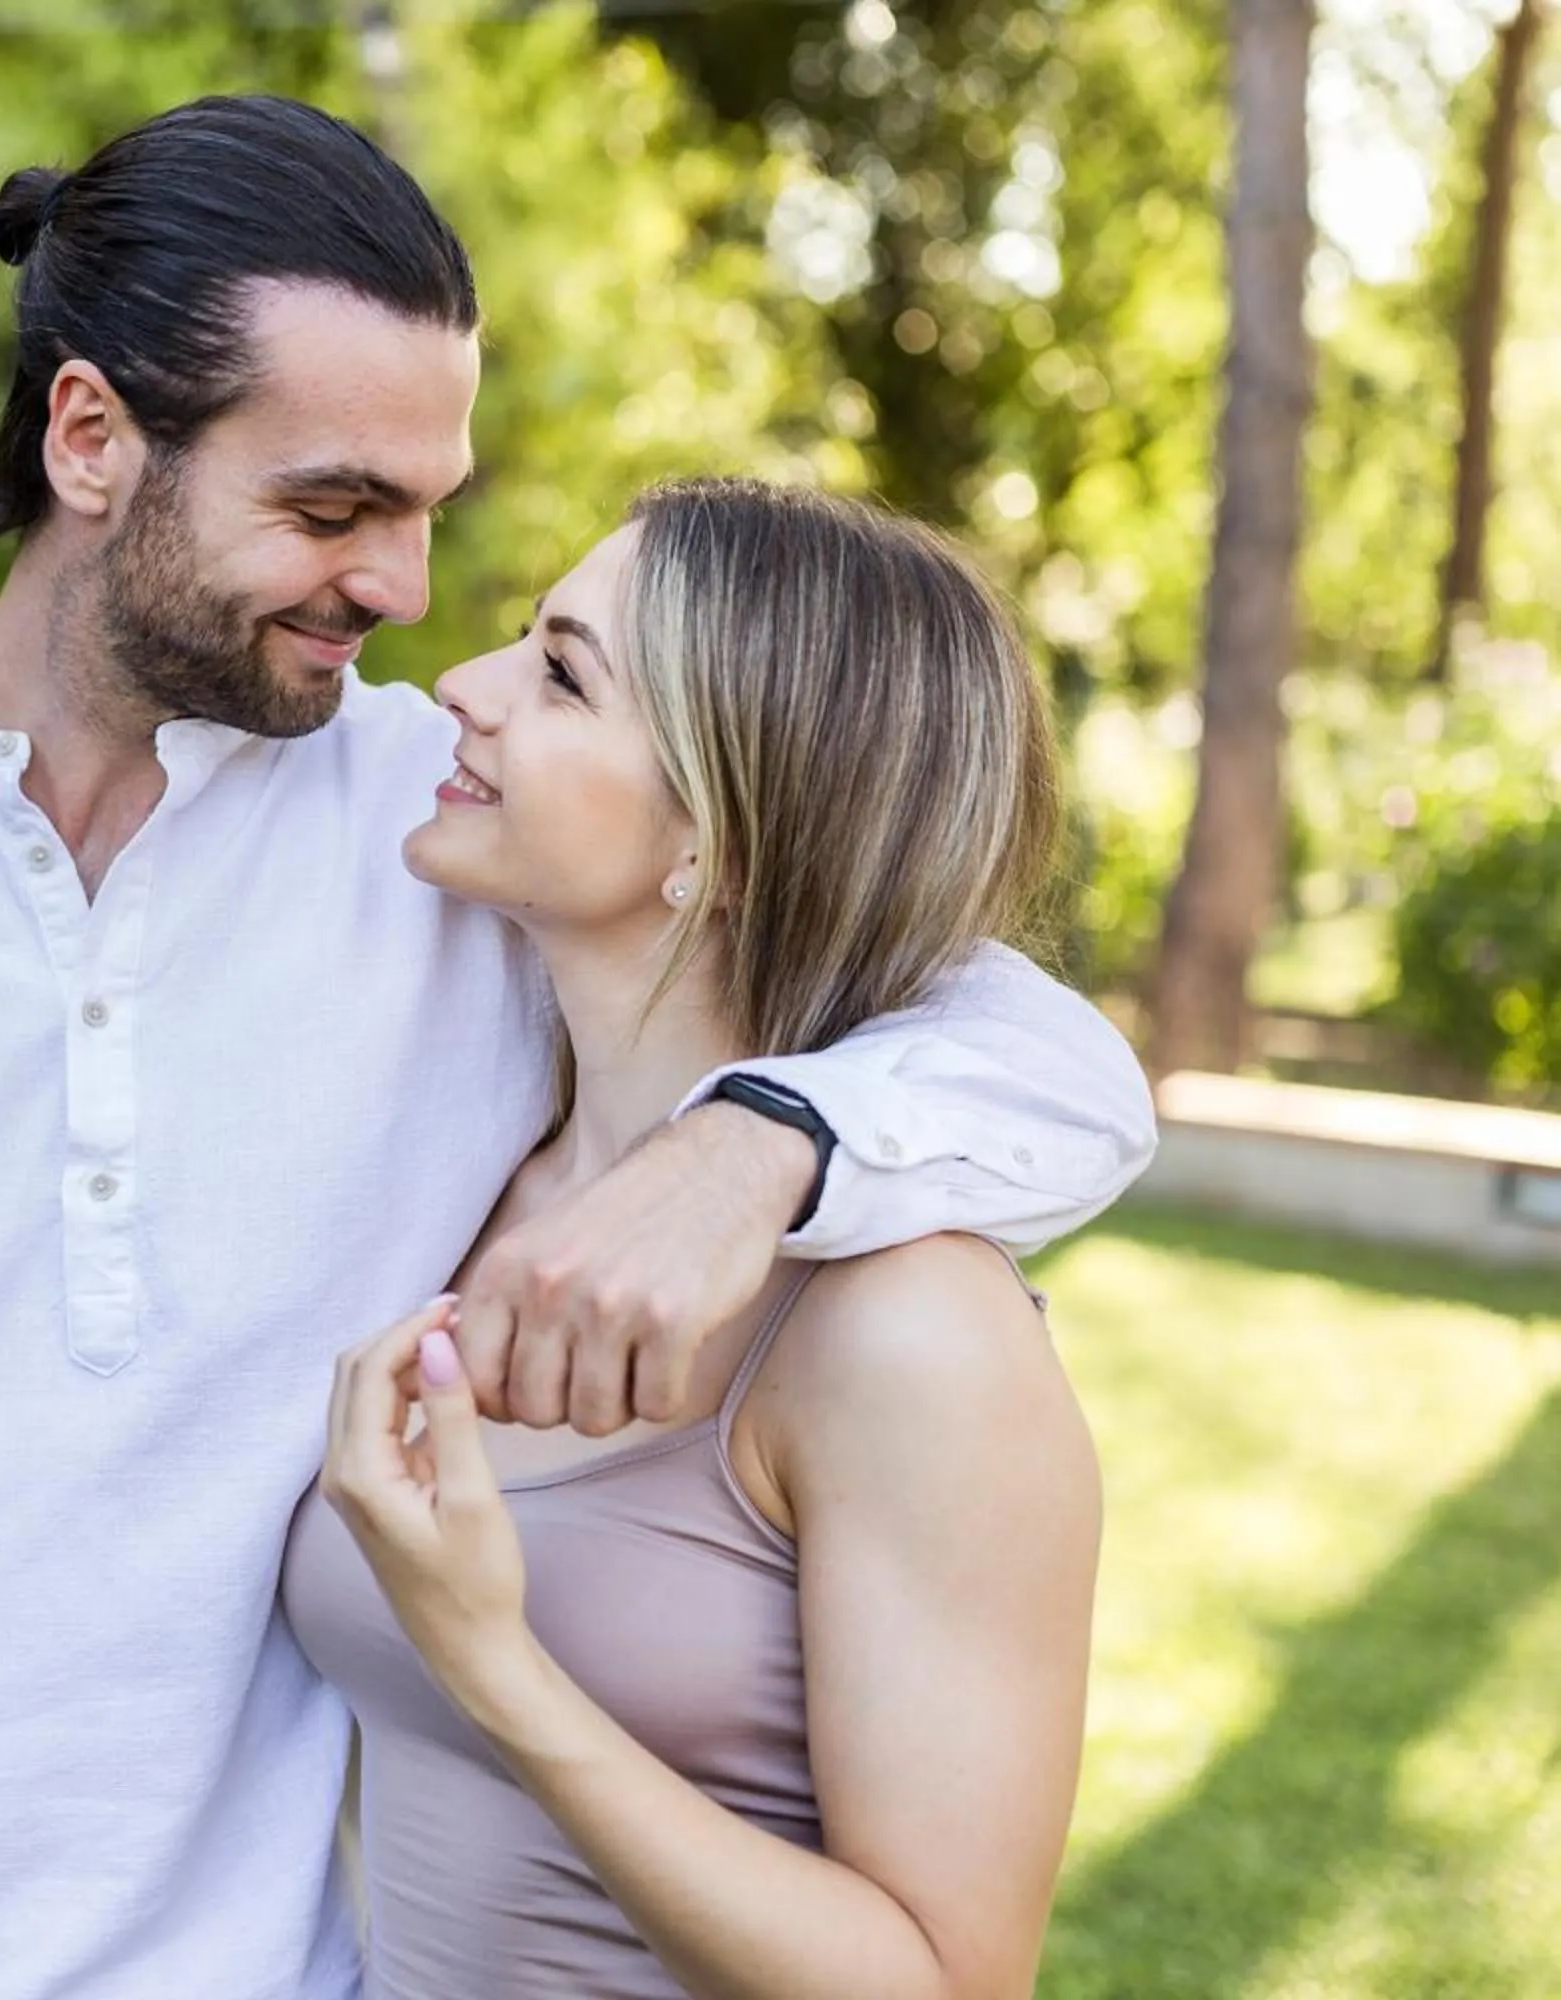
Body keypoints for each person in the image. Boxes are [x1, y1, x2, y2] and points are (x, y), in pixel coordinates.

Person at [0, 96, 1152, 2000]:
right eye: (333, 509)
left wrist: (758, 1142)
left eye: (430, 513)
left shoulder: (442, 839)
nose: (404, 593)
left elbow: (1041, 1053)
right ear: (90, 437)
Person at [293, 480, 1105, 1999]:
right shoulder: (467, 1173)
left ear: (722, 840)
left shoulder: (909, 1334)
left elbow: (943, 1981)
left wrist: (495, 1665)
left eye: (560, 673)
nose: (457, 692)